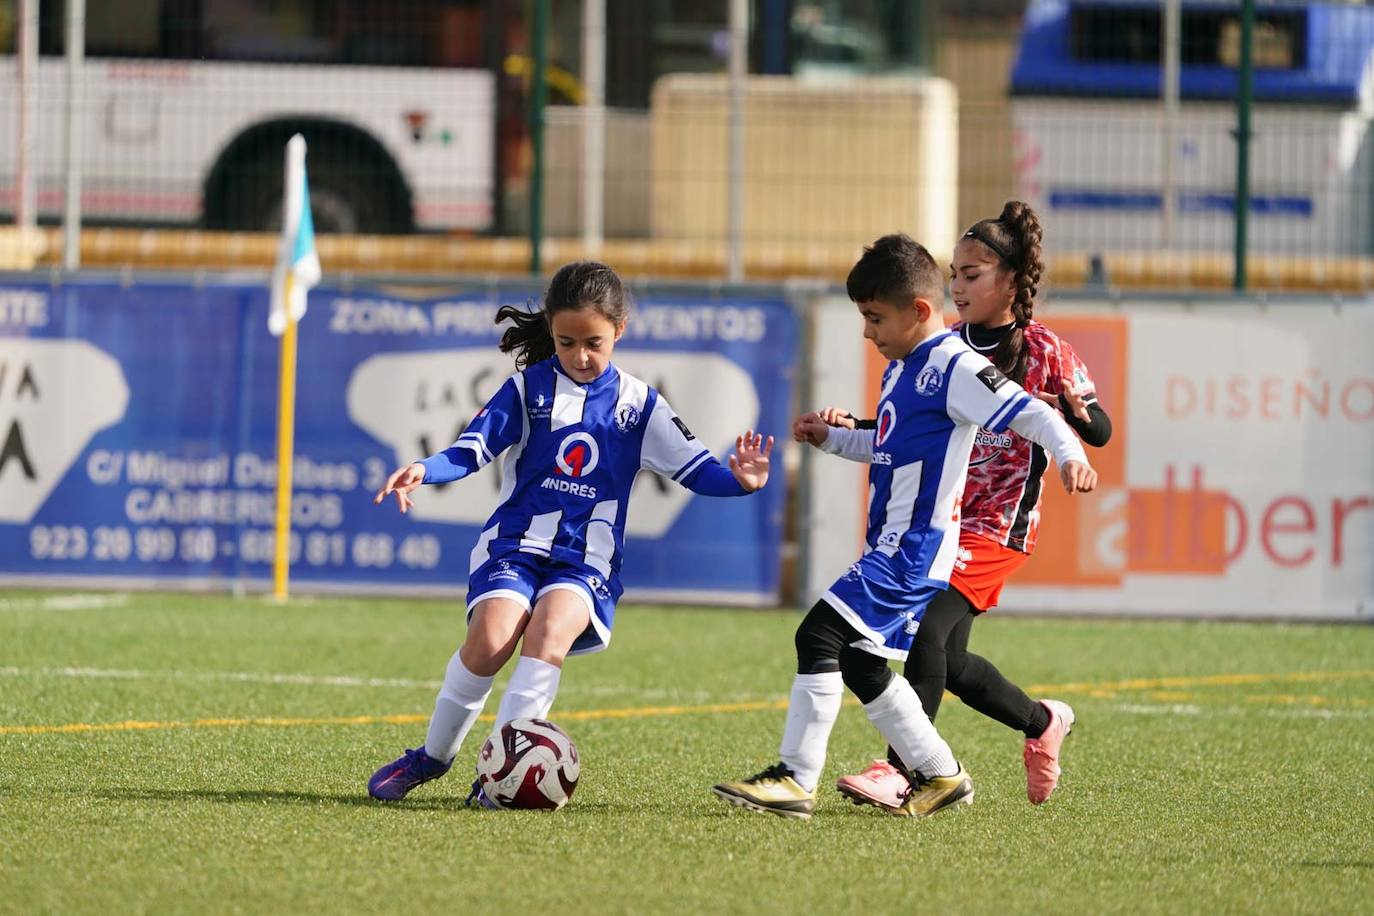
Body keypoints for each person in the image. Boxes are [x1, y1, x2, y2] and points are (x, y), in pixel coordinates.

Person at [712, 233, 1096, 820]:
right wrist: (834, 437)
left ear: (919, 311)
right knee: (862, 661)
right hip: (895, 544)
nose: (868, 332)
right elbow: (888, 444)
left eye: (874, 318)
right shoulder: (904, 367)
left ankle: (795, 778)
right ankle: (941, 775)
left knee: (817, 637)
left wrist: (1070, 456)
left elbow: (1034, 412)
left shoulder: (955, 365)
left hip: (913, 549)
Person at [367, 261, 774, 803]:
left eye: (594, 343)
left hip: (587, 560)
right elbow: (474, 447)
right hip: (515, 545)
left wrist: (740, 482)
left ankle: (498, 775)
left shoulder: (642, 405)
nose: (581, 356)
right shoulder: (526, 387)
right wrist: (426, 467)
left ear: (620, 331)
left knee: (548, 635)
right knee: (489, 642)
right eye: (566, 342)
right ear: (552, 334)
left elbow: (696, 470)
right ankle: (432, 757)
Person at [829, 201, 1112, 811]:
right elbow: (899, 429)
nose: (958, 285)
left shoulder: (1046, 351)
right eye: (953, 273)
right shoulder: (941, 346)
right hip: (942, 520)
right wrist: (840, 428)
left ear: (1011, 280)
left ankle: (905, 771)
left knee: (927, 628)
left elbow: (1099, 428)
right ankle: (1041, 722)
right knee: (949, 661)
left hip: (996, 527)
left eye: (973, 274)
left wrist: (1079, 427)